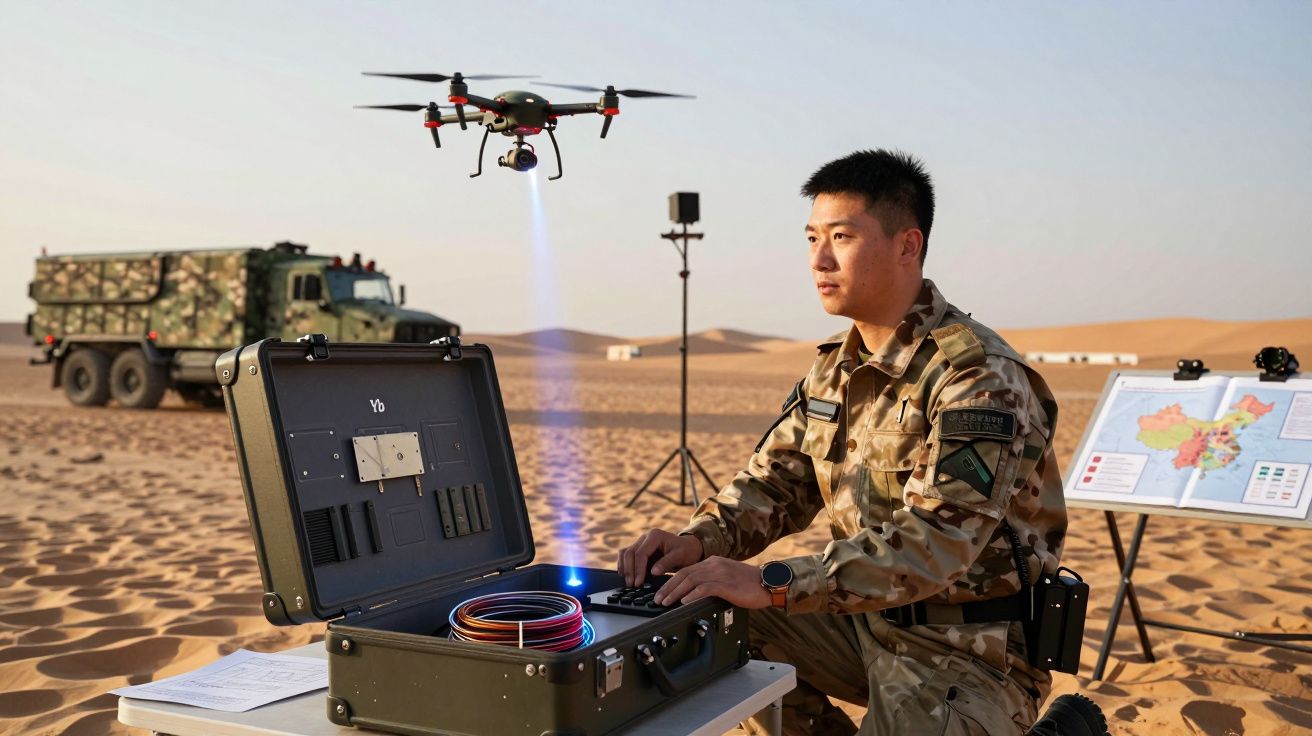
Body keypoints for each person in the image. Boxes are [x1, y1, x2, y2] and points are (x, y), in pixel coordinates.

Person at [617, 149, 1067, 735]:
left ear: (908, 245)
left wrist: (771, 581)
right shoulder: (834, 368)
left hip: (966, 647)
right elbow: (776, 483)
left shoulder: (977, 377)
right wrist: (697, 543)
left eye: (841, 237)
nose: (819, 259)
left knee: (749, 600)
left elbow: (937, 542)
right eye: (811, 238)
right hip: (859, 622)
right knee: (707, 629)